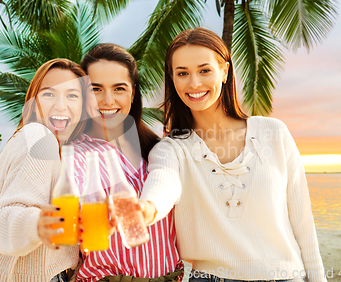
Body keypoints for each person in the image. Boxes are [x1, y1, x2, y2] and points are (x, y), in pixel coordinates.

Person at [140, 28, 326, 282]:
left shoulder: (274, 133)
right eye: (182, 73)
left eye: (204, 70)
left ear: (225, 71)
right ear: (172, 79)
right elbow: (163, 182)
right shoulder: (171, 149)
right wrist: (146, 208)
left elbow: (303, 221)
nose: (194, 83)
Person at [63, 43, 183, 282]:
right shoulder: (74, 154)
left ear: (133, 92)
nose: (108, 100)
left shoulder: (158, 150)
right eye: (96, 89)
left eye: (119, 88)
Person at [0, 58, 89, 282]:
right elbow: (6, 220)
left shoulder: (31, 140)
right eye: (48, 94)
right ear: (33, 102)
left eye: (72, 96)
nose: (60, 105)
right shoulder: (40, 137)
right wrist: (39, 224)